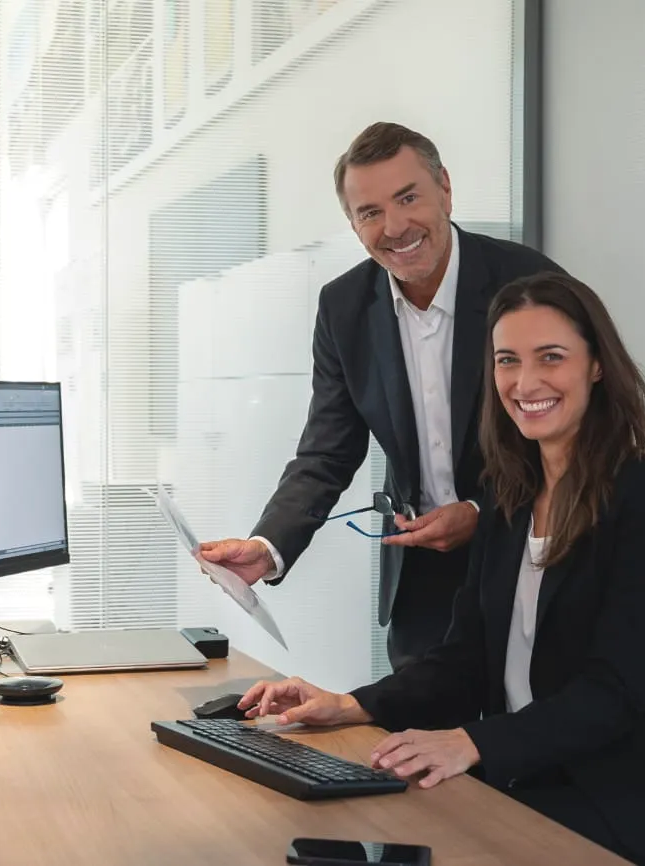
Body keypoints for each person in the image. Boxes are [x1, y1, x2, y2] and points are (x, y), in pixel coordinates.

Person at [236, 272, 645, 866]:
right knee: (350, 825)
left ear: (596, 365)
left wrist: (472, 741)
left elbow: (614, 693)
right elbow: (465, 660)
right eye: (507, 361)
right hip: (529, 778)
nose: (525, 382)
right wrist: (348, 704)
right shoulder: (509, 500)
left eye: (550, 357)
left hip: (633, 798)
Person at [198, 121, 565, 670]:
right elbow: (328, 450)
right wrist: (267, 548)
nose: (394, 227)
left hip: (532, 554)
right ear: (352, 223)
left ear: (445, 187)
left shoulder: (528, 283)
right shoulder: (344, 308)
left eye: (408, 197)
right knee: (414, 743)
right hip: (422, 581)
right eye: (370, 213)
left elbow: (574, 438)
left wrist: (479, 513)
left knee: (524, 741)